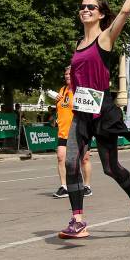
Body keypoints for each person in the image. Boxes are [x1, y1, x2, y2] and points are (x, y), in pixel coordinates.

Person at [58, 0, 130, 239]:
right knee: (72, 162)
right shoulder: (77, 45)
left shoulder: (106, 38)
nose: (85, 10)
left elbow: (124, 10)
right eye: (82, 7)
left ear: (100, 15)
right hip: (81, 112)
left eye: (91, 7)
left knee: (110, 167)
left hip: (104, 112)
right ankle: (77, 220)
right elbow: (79, 76)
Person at [48, 66, 92, 198]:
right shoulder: (62, 90)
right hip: (64, 131)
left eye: (69, 74)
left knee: (84, 159)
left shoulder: (81, 91)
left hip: (80, 130)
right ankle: (64, 187)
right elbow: (61, 109)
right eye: (65, 73)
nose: (67, 76)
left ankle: (87, 186)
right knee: (61, 157)